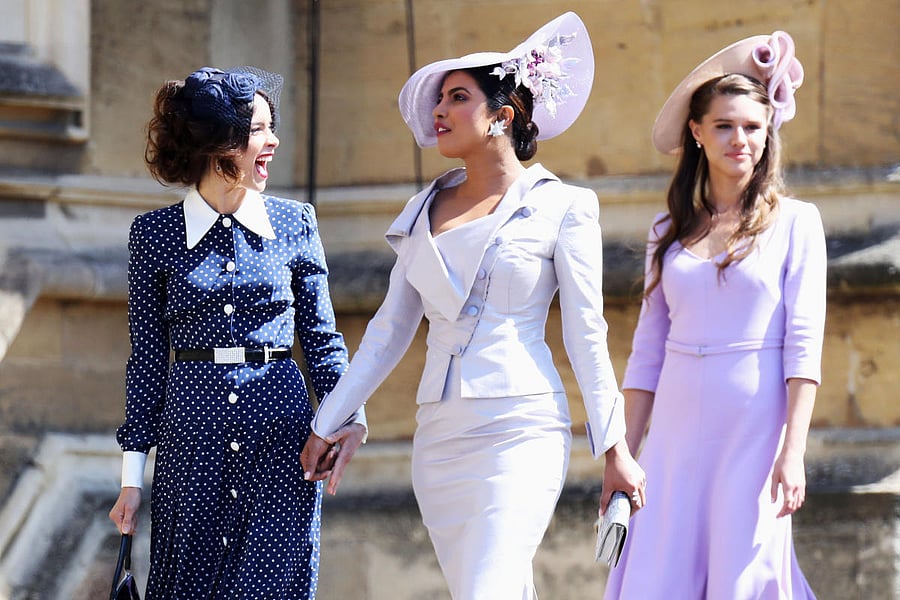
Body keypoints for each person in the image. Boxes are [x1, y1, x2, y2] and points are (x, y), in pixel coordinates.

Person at [300, 12, 645, 599]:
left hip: (522, 426)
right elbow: (388, 330)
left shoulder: (565, 206)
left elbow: (588, 333)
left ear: (501, 116)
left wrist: (616, 451)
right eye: (438, 98)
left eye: (457, 97)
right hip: (438, 437)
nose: (439, 109)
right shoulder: (421, 208)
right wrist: (327, 422)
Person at [107, 66, 366, 599]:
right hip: (191, 437)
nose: (273, 141)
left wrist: (347, 417)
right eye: (258, 130)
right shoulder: (153, 234)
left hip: (281, 436)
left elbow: (322, 340)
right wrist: (132, 478)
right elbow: (148, 361)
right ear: (218, 141)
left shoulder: (297, 223)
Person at [603, 31, 824, 598]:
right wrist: (623, 457)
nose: (739, 140)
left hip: (753, 427)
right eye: (724, 125)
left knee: (744, 573)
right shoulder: (666, 231)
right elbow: (646, 354)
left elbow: (804, 348)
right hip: (673, 433)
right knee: (660, 572)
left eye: (752, 126)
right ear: (697, 133)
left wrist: (792, 453)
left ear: (768, 131)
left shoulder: (798, 224)